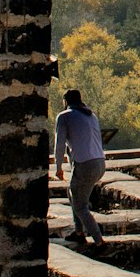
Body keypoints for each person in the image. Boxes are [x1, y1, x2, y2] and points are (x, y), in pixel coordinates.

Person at [52, 86, 107, 249]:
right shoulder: (91, 115)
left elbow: (59, 144)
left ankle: (99, 241)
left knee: (80, 205)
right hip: (99, 162)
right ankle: (78, 232)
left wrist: (58, 167)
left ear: (66, 101)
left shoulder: (64, 116)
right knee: (73, 194)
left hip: (85, 164)